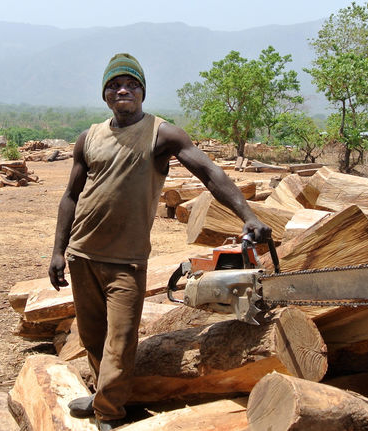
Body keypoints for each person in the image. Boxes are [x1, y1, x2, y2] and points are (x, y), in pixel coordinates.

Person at [48, 53, 271, 431]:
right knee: (93, 336)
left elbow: (209, 173)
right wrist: (57, 250)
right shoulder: (89, 137)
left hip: (127, 261)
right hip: (82, 254)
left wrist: (248, 215)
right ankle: (103, 393)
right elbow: (71, 195)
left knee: (120, 341)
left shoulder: (161, 133)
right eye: (115, 85)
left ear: (143, 92)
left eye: (132, 84)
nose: (123, 90)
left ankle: (109, 414)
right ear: (105, 94)